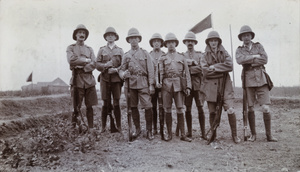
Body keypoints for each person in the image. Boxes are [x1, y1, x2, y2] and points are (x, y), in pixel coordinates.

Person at [236, 25, 277, 142]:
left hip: (261, 80)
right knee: (250, 108)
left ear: (251, 36)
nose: (246, 38)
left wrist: (248, 60)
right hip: (248, 81)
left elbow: (265, 59)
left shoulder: (258, 46)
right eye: (244, 35)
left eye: (248, 35)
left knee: (266, 108)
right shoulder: (239, 50)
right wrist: (254, 57)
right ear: (241, 37)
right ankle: (253, 135)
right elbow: (239, 60)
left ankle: (269, 135)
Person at [201, 31, 240, 143]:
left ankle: (234, 135)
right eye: (211, 41)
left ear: (218, 41)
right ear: (208, 42)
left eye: (215, 40)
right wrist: (221, 70)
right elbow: (205, 72)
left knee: (230, 109)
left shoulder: (224, 52)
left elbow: (230, 65)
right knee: (212, 112)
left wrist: (214, 67)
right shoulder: (204, 55)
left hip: (225, 86)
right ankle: (213, 135)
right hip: (211, 88)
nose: (213, 43)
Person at [118, 28, 155, 140]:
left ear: (139, 39)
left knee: (148, 106)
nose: (133, 40)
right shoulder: (126, 55)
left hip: (143, 83)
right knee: (133, 107)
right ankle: (137, 129)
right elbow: (120, 70)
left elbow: (151, 70)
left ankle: (149, 130)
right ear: (128, 41)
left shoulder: (145, 53)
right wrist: (124, 74)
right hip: (130, 85)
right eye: (131, 38)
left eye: (135, 38)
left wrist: (151, 84)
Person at [157, 32, 192, 142]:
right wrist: (159, 84)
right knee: (167, 108)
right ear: (166, 45)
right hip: (166, 85)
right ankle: (169, 134)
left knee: (180, 108)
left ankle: (182, 134)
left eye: (172, 42)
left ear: (175, 44)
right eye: (168, 43)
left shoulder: (182, 57)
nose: (171, 44)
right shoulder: (163, 58)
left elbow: (187, 73)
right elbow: (160, 72)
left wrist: (188, 87)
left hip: (179, 85)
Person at [66, 24, 98, 130]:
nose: (81, 35)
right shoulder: (71, 48)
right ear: (75, 35)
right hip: (77, 80)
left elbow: (95, 63)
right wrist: (86, 60)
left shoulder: (89, 49)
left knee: (90, 106)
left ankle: (91, 128)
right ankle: (73, 128)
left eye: (84, 33)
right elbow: (71, 60)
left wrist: (83, 66)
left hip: (89, 80)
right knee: (76, 107)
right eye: (79, 32)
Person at [96, 27, 124, 133]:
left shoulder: (120, 50)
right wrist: (105, 65)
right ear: (106, 37)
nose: (110, 36)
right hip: (105, 79)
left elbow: (124, 65)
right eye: (108, 35)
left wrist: (116, 70)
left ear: (115, 37)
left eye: (112, 35)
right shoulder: (102, 50)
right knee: (105, 102)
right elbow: (96, 64)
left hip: (116, 80)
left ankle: (119, 126)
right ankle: (103, 127)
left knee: (116, 101)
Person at [182, 31, 206, 140]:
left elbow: (201, 68)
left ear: (195, 42)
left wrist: (188, 69)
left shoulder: (200, 55)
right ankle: (189, 132)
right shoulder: (182, 56)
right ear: (185, 43)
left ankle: (203, 132)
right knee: (187, 108)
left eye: (192, 41)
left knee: (200, 108)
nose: (190, 43)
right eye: (188, 41)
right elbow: (181, 68)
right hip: (187, 86)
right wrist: (192, 63)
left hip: (198, 85)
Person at [149, 33, 166, 135]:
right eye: (154, 41)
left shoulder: (164, 55)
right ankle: (154, 127)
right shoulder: (149, 55)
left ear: (161, 43)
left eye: (158, 41)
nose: (156, 43)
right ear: (152, 43)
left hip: (163, 85)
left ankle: (162, 127)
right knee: (153, 106)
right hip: (153, 84)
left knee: (162, 106)